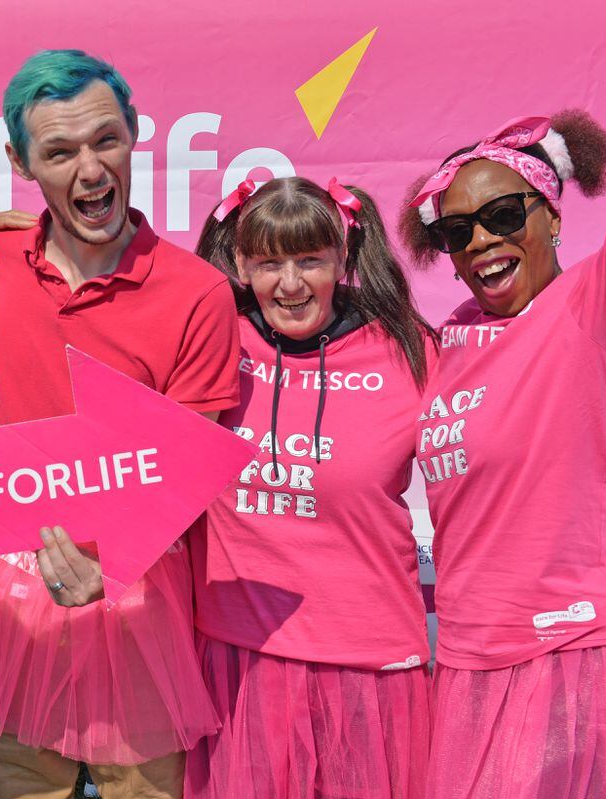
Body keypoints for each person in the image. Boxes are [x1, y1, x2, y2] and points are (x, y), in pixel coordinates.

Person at [0, 49, 240, 799]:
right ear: (20, 161)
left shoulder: (199, 292)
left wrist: (109, 567)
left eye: (106, 140)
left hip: (140, 600)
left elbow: (185, 474)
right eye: (59, 151)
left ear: (135, 134)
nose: (90, 169)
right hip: (11, 602)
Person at [398, 90, 606, 798]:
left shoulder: (595, 303)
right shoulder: (442, 346)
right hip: (468, 664)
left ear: (551, 216)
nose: (483, 242)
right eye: (459, 232)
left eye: (501, 216)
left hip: (575, 661)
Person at [185, 177, 436, 799]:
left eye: (309, 261)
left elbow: (498, 441)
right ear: (239, 263)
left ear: (342, 257)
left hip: (370, 666)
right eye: (269, 263)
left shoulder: (409, 351)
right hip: (239, 661)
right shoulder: (211, 339)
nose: (289, 284)